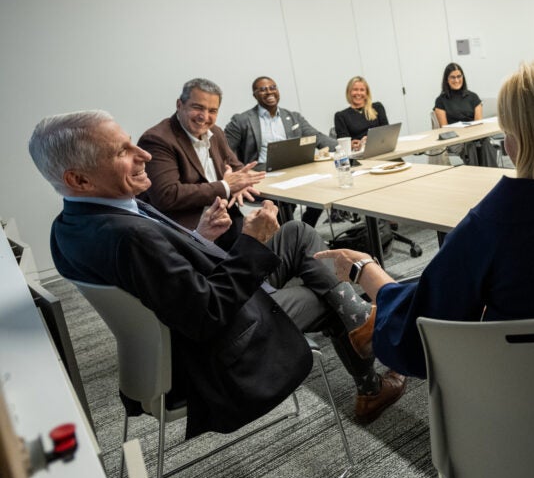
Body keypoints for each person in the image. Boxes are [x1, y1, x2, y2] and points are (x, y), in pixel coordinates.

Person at [29, 111, 406, 434]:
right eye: (122, 152)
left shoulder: (71, 225)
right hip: (217, 347)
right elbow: (207, 315)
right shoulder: (127, 236)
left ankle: (361, 321)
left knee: (297, 232)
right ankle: (370, 383)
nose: (142, 154)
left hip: (189, 317)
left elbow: (161, 278)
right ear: (79, 179)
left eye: (132, 143)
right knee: (322, 294)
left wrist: (197, 237)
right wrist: (254, 243)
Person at [317, 59, 534, 378]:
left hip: (518, 417)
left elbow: (420, 333)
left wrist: (365, 269)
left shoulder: (495, 221)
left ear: (517, 140)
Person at [138, 78, 263, 247]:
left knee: (263, 243)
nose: (204, 117)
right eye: (198, 108)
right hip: (186, 228)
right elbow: (167, 195)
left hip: (224, 216)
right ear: (179, 104)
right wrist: (226, 186)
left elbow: (235, 166)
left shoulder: (215, 133)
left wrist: (239, 181)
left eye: (212, 111)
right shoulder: (157, 139)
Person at [224, 76, 333, 226]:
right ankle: (286, 235)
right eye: (262, 89)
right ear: (254, 95)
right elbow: (224, 150)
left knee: (324, 184)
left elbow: (317, 137)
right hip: (262, 174)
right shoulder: (242, 120)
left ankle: (307, 226)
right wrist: (239, 172)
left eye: (272, 87)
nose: (269, 92)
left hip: (293, 169)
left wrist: (342, 148)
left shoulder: (293, 117)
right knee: (284, 200)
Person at [433, 63, 497, 167]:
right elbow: (444, 129)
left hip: (474, 135)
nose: (457, 80)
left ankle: (492, 175)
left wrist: (472, 134)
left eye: (459, 76)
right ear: (446, 80)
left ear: (463, 77)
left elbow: (478, 124)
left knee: (486, 143)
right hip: (455, 139)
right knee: (470, 146)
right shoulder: (441, 101)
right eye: (452, 77)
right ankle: (475, 176)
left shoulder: (473, 97)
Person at [333, 76, 389, 152]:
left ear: (366, 93)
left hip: (382, 149)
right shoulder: (340, 116)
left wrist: (370, 139)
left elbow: (388, 132)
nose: (358, 93)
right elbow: (344, 143)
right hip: (360, 154)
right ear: (349, 92)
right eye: (355, 90)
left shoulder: (377, 107)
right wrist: (353, 144)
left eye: (362, 90)